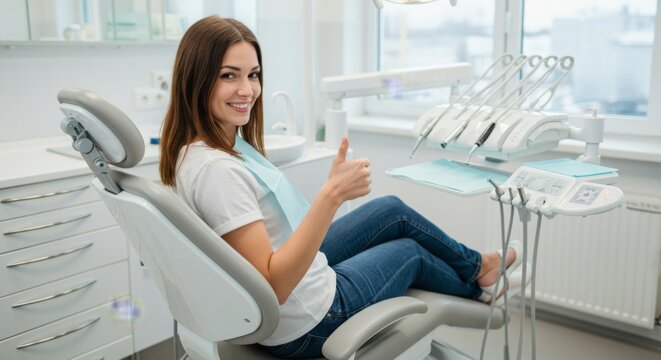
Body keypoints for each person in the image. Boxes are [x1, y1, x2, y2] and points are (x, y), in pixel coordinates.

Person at [160, 16, 526, 359]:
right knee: (410, 251)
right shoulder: (217, 172)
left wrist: (331, 191)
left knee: (390, 210)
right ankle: (479, 289)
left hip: (294, 286)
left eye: (253, 74)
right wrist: (332, 195)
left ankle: (480, 265)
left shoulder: (205, 148)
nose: (247, 89)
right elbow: (273, 288)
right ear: (196, 79)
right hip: (308, 321)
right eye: (229, 75)